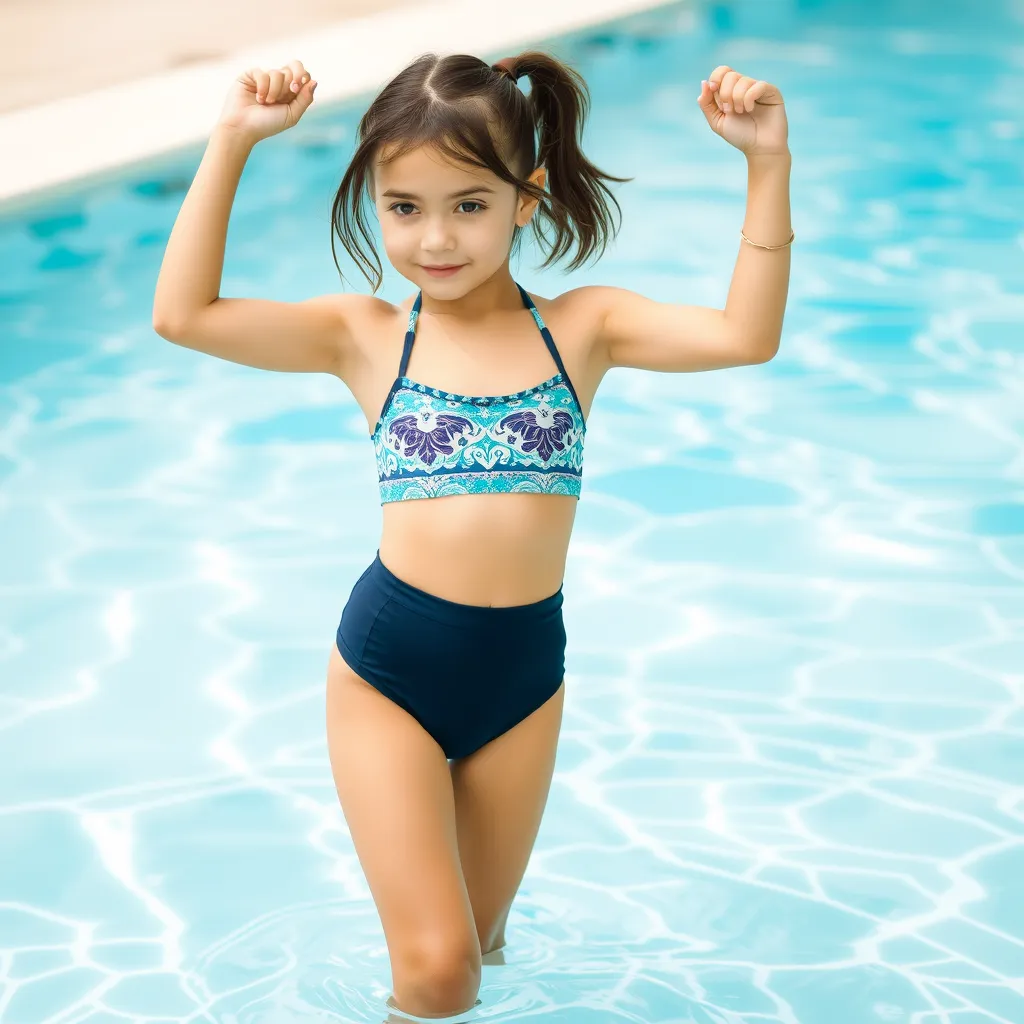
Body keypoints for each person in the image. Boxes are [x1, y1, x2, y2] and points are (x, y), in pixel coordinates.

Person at [152, 49, 791, 1021]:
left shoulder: (583, 330)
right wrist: (232, 140)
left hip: (524, 677)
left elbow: (746, 336)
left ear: (526, 199)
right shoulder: (364, 335)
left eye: (468, 205)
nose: (435, 239)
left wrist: (764, 162)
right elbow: (182, 315)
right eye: (403, 207)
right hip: (390, 670)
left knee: (478, 959)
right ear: (374, 199)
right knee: (438, 970)